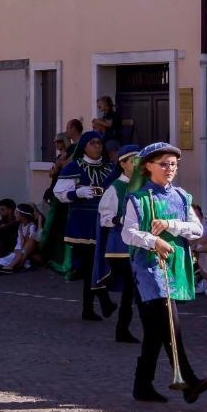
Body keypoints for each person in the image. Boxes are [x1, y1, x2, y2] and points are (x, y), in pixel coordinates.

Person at [121, 142, 207, 403]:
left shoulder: (182, 196)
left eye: (173, 164)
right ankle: (188, 379)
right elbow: (128, 233)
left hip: (174, 266)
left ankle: (142, 386)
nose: (170, 169)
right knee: (170, 321)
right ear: (148, 166)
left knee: (154, 330)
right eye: (164, 164)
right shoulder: (138, 198)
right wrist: (152, 241)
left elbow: (197, 231)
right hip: (149, 269)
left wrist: (171, 225)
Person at [54, 130, 116, 321]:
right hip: (81, 224)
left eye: (99, 143)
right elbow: (59, 193)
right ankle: (102, 301)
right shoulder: (75, 166)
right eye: (93, 143)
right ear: (84, 146)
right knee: (91, 264)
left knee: (94, 265)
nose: (97, 146)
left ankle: (89, 308)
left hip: (102, 223)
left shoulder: (109, 168)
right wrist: (76, 194)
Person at [93, 144, 141, 343]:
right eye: (134, 161)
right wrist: (124, 220)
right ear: (123, 164)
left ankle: (123, 330)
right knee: (133, 288)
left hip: (138, 245)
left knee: (134, 290)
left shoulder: (143, 186)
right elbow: (105, 217)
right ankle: (124, 329)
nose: (138, 164)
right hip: (120, 248)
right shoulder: (115, 188)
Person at [0, 203, 40, 273]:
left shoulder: (31, 226)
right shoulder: (20, 227)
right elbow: (19, 242)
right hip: (18, 252)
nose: (15, 215)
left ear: (23, 216)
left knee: (1, 262)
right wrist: (17, 250)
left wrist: (20, 249)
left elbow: (30, 243)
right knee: (5, 259)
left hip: (24, 253)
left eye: (17, 213)